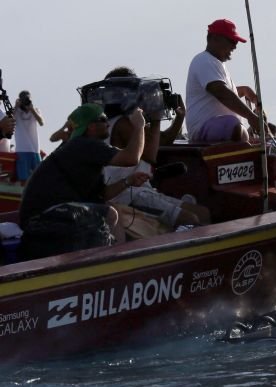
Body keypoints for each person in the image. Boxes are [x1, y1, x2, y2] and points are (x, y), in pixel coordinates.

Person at [18, 104, 146, 260]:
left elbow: (102, 194)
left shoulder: (81, 149)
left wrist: (128, 181)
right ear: (91, 127)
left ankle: (118, 260)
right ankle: (108, 264)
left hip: (45, 216)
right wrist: (140, 126)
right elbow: (131, 158)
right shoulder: (84, 144)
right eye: (103, 119)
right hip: (43, 219)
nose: (108, 123)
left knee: (111, 209)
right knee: (109, 214)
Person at [102, 67, 210, 229]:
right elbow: (150, 155)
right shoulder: (123, 124)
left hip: (141, 191)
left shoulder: (129, 121)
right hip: (128, 194)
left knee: (203, 213)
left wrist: (179, 118)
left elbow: (161, 140)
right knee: (192, 219)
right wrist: (156, 117)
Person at [185, 18, 270, 143]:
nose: (235, 46)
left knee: (237, 127)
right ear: (215, 38)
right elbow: (220, 92)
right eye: (232, 41)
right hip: (204, 129)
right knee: (232, 125)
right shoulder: (204, 61)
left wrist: (245, 91)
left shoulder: (215, 63)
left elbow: (223, 93)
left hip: (215, 128)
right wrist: (251, 117)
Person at [13, 90, 44, 184]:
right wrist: (16, 106)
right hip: (21, 149)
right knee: (24, 179)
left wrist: (32, 109)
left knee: (39, 178)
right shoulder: (16, 111)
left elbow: (41, 123)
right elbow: (10, 120)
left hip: (35, 149)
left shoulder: (35, 110)